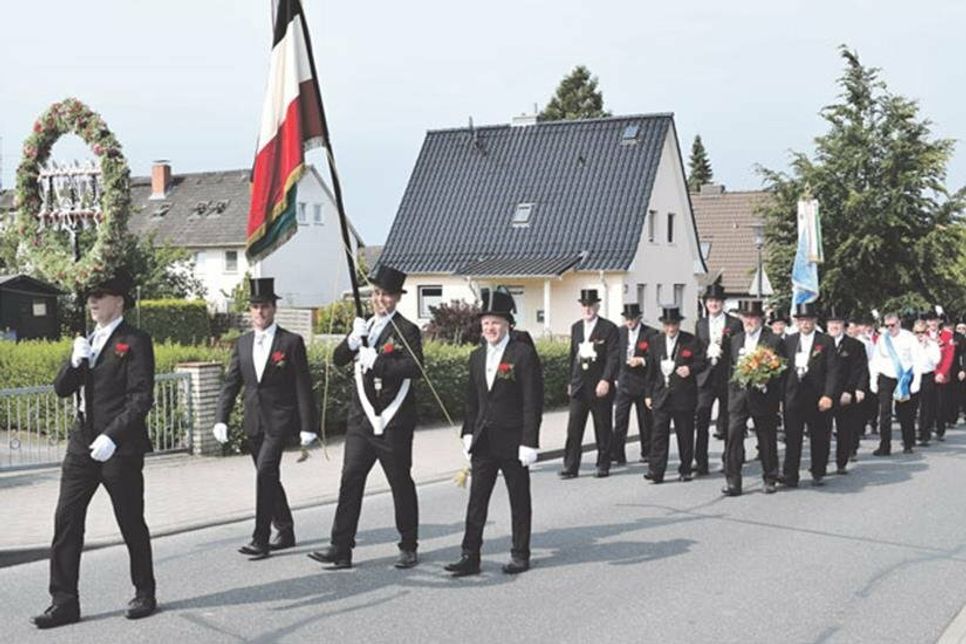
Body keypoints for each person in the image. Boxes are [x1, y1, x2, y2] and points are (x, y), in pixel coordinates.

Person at [33, 269, 157, 628]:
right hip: (82, 444)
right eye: (90, 296)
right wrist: (74, 362)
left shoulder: (135, 341)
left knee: (130, 521)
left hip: (119, 446)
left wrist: (113, 435)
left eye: (100, 295)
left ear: (119, 301)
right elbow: (61, 389)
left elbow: (141, 397)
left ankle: (145, 591)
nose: (92, 301)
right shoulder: (87, 340)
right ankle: (64, 601)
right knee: (66, 520)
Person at [309, 265, 423, 570]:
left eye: (387, 295)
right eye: (376, 293)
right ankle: (341, 547)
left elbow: (414, 368)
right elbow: (338, 360)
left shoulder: (407, 330)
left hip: (393, 422)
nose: (380, 299)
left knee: (400, 483)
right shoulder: (365, 326)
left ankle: (408, 544)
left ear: (397, 298)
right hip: (361, 421)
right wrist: (351, 341)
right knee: (350, 481)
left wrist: (379, 363)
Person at [214, 277, 317, 560]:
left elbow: (302, 385)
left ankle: (260, 538)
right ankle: (285, 529)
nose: (260, 312)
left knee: (264, 473)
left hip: (280, 419)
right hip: (253, 420)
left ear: (274, 309)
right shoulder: (243, 343)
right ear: (250, 311)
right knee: (268, 475)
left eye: (265, 307)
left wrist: (308, 425)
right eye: (255, 307)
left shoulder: (291, 342)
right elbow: (231, 383)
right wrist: (221, 418)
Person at [446, 289, 543, 577]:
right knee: (477, 500)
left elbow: (532, 401)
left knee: (519, 500)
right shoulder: (476, 356)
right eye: (486, 322)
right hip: (483, 440)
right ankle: (470, 555)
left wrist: (530, 442)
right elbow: (472, 400)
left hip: (513, 440)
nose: (490, 328)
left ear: (507, 324)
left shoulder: (522, 354)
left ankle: (520, 553)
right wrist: (467, 432)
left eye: (496, 323)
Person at [721, 300, 785, 496]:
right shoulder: (735, 340)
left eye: (753, 317)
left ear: (761, 319)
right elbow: (729, 368)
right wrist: (731, 392)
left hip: (762, 396)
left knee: (766, 439)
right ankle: (733, 481)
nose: (749, 321)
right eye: (746, 317)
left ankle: (770, 478)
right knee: (733, 438)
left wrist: (767, 380)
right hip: (738, 397)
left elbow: (781, 370)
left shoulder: (773, 340)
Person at [560, 289, 620, 479]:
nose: (587, 309)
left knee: (602, 427)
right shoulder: (576, 327)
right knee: (574, 428)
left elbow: (613, 357)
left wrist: (606, 379)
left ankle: (603, 464)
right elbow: (573, 356)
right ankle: (571, 466)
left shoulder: (608, 328)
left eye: (591, 305)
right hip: (579, 385)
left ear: (597, 306)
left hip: (599, 385)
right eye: (584, 305)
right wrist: (570, 381)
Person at [643, 306, 706, 484]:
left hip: (683, 395)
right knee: (658, 434)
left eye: (674, 324)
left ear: (679, 324)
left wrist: (690, 368)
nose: (671, 328)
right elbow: (650, 371)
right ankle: (656, 471)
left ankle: (685, 468)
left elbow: (702, 362)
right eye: (667, 325)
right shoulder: (655, 341)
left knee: (685, 434)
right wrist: (648, 394)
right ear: (663, 325)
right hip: (661, 395)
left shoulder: (690, 341)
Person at [781, 302, 840, 487]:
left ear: (814, 321)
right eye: (801, 320)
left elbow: (833, 371)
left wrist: (828, 395)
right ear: (797, 322)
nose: (805, 324)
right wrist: (781, 398)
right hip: (794, 396)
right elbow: (782, 370)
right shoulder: (789, 341)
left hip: (817, 396)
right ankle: (790, 475)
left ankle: (818, 471)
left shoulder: (826, 341)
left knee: (819, 436)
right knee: (792, 437)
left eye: (808, 320)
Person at [693, 283, 743, 474]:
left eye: (717, 301)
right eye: (710, 301)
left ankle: (729, 460)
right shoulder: (700, 324)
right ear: (706, 303)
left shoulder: (734, 323)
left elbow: (738, 350)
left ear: (723, 303)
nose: (713, 304)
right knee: (702, 419)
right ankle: (701, 462)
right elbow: (698, 350)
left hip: (726, 377)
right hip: (705, 379)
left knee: (729, 421)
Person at [611, 303, 657, 465]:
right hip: (624, 381)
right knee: (620, 419)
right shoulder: (620, 332)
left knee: (645, 420)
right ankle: (617, 453)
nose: (629, 322)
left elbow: (655, 357)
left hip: (642, 382)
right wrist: (615, 377)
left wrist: (642, 360)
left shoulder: (650, 333)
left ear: (639, 318)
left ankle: (647, 452)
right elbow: (614, 355)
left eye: (632, 318)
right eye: (627, 318)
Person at [869, 312, 920, 456]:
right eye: (887, 326)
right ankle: (885, 446)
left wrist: (916, 381)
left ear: (899, 323)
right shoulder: (882, 339)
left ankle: (908, 443)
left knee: (904, 412)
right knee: (884, 412)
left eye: (893, 325)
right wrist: (873, 379)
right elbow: (876, 360)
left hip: (903, 378)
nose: (890, 328)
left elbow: (917, 359)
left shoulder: (909, 338)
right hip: (886, 377)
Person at [826, 310, 869, 474]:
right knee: (822, 430)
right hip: (824, 393)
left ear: (844, 326)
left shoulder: (855, 345)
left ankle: (841, 462)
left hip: (845, 393)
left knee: (844, 429)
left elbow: (860, 369)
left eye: (837, 323)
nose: (834, 326)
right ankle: (820, 464)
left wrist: (853, 389)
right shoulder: (821, 342)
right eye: (831, 324)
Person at [913, 318, 941, 447]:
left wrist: (926, 347)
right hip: (913, 375)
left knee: (926, 406)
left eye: (922, 332)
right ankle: (910, 434)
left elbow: (936, 360)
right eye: (917, 332)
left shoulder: (932, 345)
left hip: (927, 375)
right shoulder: (910, 344)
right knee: (910, 406)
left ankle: (925, 434)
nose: (920, 335)